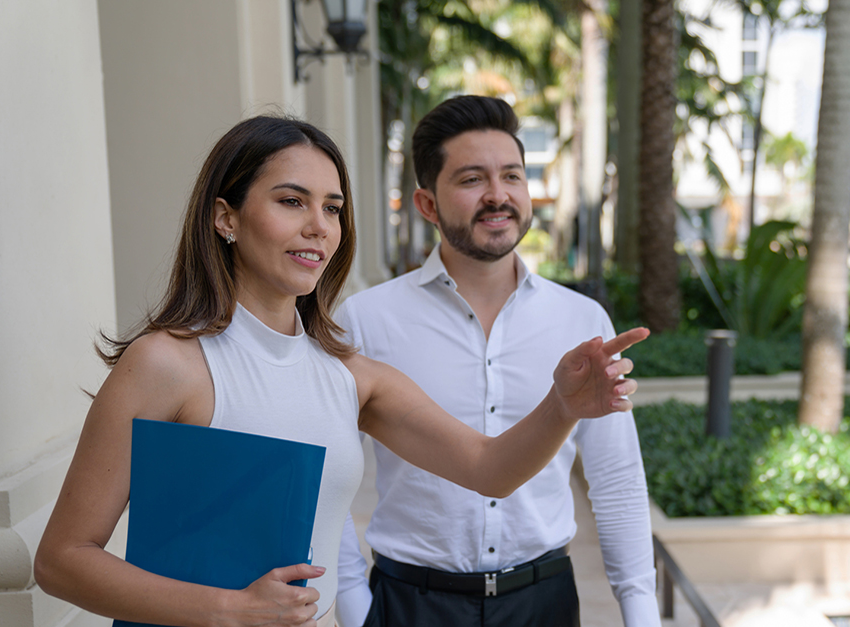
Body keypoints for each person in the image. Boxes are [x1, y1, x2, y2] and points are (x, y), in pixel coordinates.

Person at [33, 115, 647, 627]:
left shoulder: (351, 375)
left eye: (332, 208)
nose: (318, 227)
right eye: (290, 201)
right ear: (225, 218)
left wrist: (561, 406)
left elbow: (490, 469)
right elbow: (62, 559)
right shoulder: (166, 363)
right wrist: (229, 609)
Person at [333, 95, 661, 627]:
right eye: (470, 179)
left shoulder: (582, 320)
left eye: (512, 175)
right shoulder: (366, 319)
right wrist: (353, 604)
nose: (497, 195)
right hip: (411, 603)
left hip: (543, 603)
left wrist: (641, 616)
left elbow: (617, 479)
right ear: (427, 205)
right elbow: (329, 482)